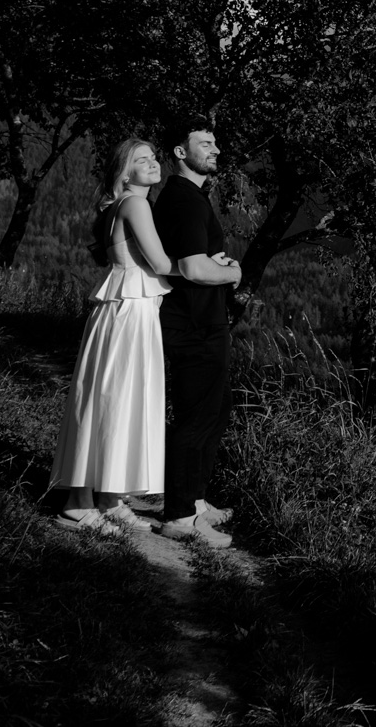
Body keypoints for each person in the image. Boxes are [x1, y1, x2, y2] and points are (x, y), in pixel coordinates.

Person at [51, 138, 174, 533]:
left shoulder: (121, 205)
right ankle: (78, 501)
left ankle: (107, 495)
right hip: (129, 310)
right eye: (143, 159)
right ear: (125, 172)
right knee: (112, 397)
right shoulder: (136, 204)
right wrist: (209, 266)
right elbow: (160, 263)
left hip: (126, 308)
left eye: (155, 156)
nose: (154, 163)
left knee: (115, 396)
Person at [151, 117, 242, 547]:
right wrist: (231, 272)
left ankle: (196, 502)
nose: (216, 149)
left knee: (214, 412)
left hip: (204, 322)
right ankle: (179, 516)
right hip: (193, 325)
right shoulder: (184, 199)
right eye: (205, 143)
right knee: (195, 418)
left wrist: (218, 267)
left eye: (215, 142)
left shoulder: (191, 197)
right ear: (180, 152)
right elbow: (191, 267)